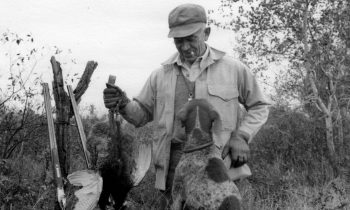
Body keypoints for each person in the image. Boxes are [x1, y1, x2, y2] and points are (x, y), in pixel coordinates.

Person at [103, 3, 270, 209]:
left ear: (206, 33)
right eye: (178, 41)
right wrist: (123, 103)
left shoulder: (233, 69)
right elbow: (140, 116)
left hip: (218, 169)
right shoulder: (160, 75)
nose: (184, 47)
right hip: (173, 168)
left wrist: (242, 135)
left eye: (191, 38)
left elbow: (260, 106)